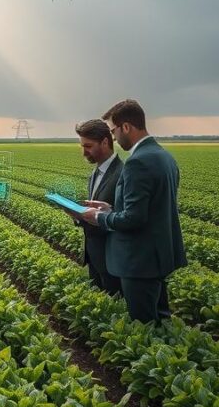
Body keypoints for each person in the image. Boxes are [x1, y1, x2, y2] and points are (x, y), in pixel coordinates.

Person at [78, 100, 186, 323]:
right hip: (159, 256)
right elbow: (150, 209)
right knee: (161, 321)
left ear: (126, 127)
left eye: (113, 130)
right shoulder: (164, 156)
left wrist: (99, 216)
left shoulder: (138, 162)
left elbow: (134, 219)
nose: (114, 137)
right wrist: (110, 208)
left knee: (143, 327)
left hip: (139, 261)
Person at [71, 119, 123, 296]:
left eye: (88, 146)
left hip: (113, 258)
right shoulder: (95, 173)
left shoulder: (122, 173)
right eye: (82, 146)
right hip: (94, 255)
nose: (84, 152)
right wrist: (78, 215)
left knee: (115, 308)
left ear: (105, 142)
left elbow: (125, 217)